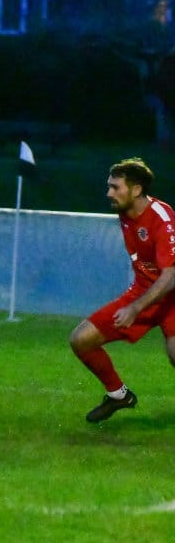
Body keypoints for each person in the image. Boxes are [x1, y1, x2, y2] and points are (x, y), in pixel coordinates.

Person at [69, 157, 175, 422]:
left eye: (115, 187)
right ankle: (119, 395)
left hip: (171, 296)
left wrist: (134, 308)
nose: (109, 193)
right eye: (109, 186)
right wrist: (136, 303)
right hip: (143, 291)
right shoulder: (125, 212)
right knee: (81, 340)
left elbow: (171, 276)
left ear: (136, 189)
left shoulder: (162, 218)